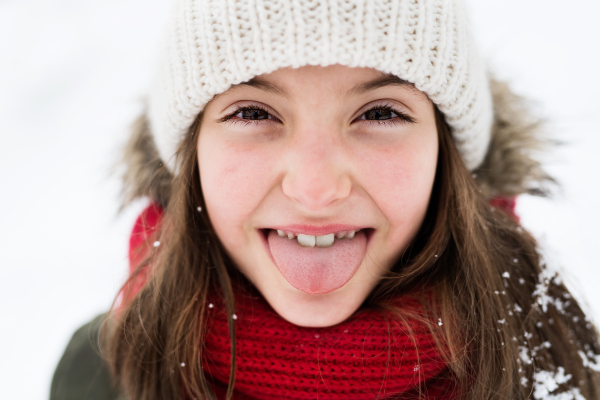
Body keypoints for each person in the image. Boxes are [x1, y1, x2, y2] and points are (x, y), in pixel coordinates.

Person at [50, 0, 600, 399]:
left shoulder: (562, 369)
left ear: (446, 152)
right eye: (253, 113)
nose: (314, 191)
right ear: (192, 154)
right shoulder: (96, 375)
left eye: (380, 113)